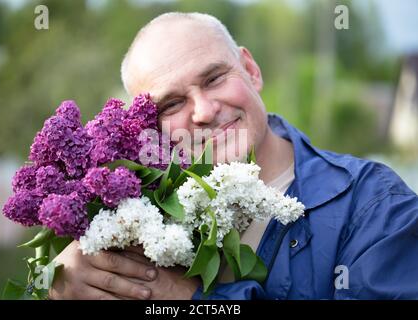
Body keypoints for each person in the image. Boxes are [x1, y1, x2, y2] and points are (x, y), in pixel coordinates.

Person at [49, 12, 418, 300]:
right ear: (147, 126)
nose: (205, 111)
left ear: (251, 70)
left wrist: (196, 300)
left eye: (214, 79)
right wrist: (55, 280)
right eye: (173, 103)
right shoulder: (134, 217)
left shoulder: (375, 206)